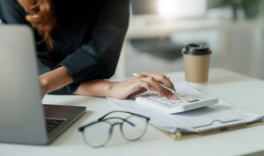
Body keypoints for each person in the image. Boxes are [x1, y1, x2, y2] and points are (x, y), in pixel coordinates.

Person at [0, 0, 177, 100]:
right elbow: (27, 61)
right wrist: (107, 88)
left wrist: (45, 83)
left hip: (86, 100)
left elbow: (102, 51)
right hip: (47, 99)